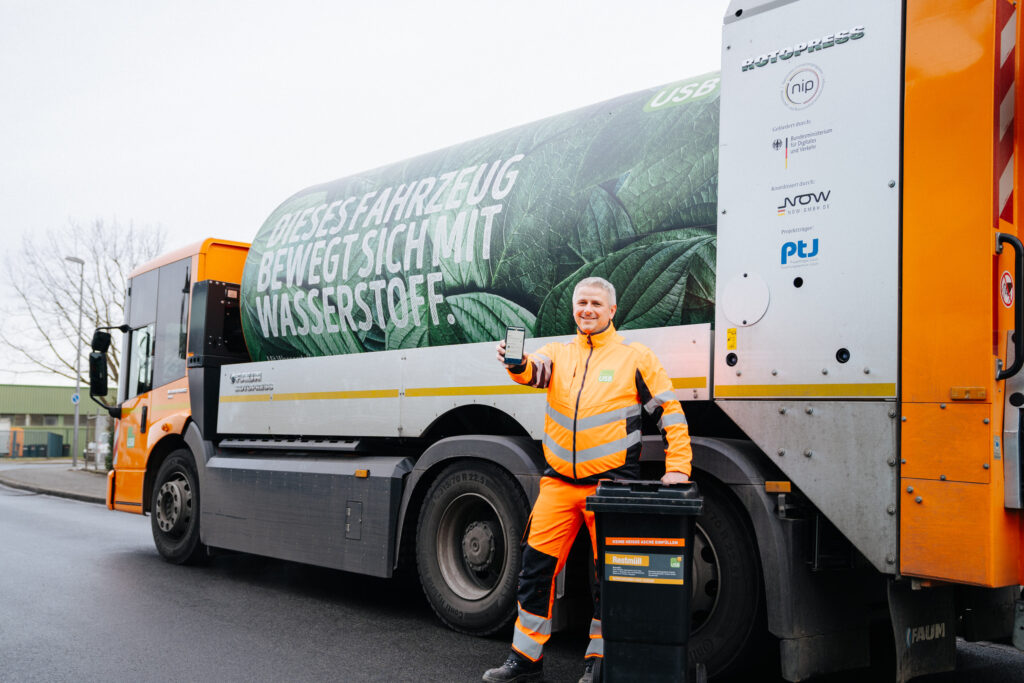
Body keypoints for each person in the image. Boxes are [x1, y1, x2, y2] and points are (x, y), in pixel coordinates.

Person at [483, 276, 692, 683]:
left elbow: (669, 411)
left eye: (596, 303)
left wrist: (678, 466)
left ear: (612, 310)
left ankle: (600, 662)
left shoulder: (635, 356)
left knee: (608, 577)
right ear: (574, 308)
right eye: (581, 303)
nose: (587, 310)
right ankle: (525, 660)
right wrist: (516, 362)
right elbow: (532, 371)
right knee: (535, 570)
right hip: (558, 484)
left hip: (610, 487)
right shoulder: (558, 353)